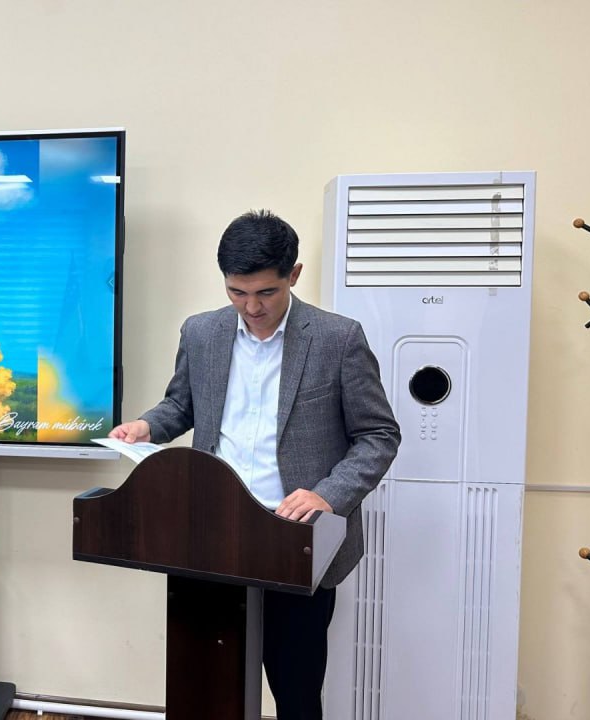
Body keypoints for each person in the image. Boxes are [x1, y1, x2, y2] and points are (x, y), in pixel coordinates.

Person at [109, 210, 400, 720]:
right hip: (210, 533)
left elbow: (379, 435)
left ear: (294, 274)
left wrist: (327, 495)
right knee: (207, 684)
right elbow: (182, 405)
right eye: (237, 293)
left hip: (294, 535)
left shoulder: (337, 339)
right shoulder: (201, 332)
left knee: (296, 691)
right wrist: (146, 426)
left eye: (265, 292)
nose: (251, 307)